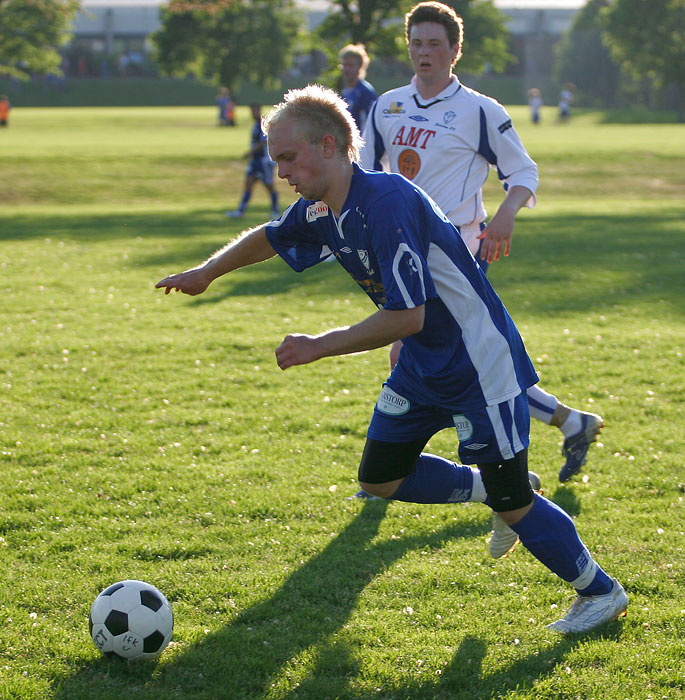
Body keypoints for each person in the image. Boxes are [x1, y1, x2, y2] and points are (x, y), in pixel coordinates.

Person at [156, 84, 628, 634]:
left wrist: (318, 345)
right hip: (424, 366)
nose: (281, 171)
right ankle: (483, 491)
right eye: (276, 160)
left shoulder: (386, 204)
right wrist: (205, 273)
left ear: (329, 146)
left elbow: (407, 318)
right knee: (380, 479)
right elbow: (270, 235)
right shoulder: (324, 208)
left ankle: (600, 591)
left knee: (516, 500)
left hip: (477, 363)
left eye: (288, 157)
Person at [359, 3, 603, 514]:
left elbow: (524, 172)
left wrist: (507, 214)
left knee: (420, 359)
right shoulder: (386, 106)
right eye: (417, 43)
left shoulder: (480, 110)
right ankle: (566, 424)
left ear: (454, 50)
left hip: (459, 255)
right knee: (442, 363)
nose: (424, 53)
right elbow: (365, 178)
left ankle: (399, 469)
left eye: (434, 44)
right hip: (402, 257)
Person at [226, 103, 279, 220]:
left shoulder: (262, 125)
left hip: (263, 161)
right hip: (255, 161)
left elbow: (263, 142)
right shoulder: (255, 125)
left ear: (259, 110)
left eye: (255, 110)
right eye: (252, 110)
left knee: (269, 185)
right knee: (248, 183)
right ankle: (240, 211)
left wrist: (250, 152)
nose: (253, 113)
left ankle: (275, 210)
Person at [338, 44, 377, 133]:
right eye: (344, 65)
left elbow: (370, 123)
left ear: (360, 67)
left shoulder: (365, 92)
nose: (346, 69)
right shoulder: (345, 92)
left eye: (351, 65)